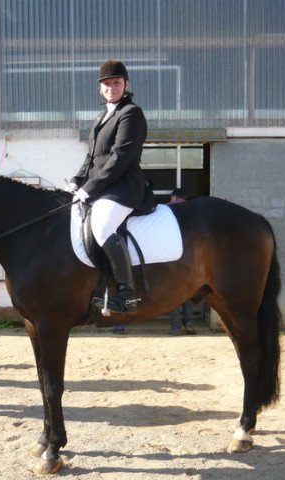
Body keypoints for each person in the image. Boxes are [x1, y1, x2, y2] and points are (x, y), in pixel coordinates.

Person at [68, 59, 154, 314]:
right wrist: (77, 180)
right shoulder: (101, 117)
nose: (111, 87)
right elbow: (92, 157)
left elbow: (120, 157)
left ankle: (127, 295)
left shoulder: (131, 113)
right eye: (107, 83)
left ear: (126, 84)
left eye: (116, 82)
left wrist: (89, 188)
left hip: (123, 188)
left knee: (103, 225)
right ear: (100, 88)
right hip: (101, 188)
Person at [167, 188, 196, 335]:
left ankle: (176, 326)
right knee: (188, 292)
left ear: (173, 197)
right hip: (190, 258)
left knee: (174, 293)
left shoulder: (167, 211)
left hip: (172, 256)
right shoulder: (190, 213)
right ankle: (189, 322)